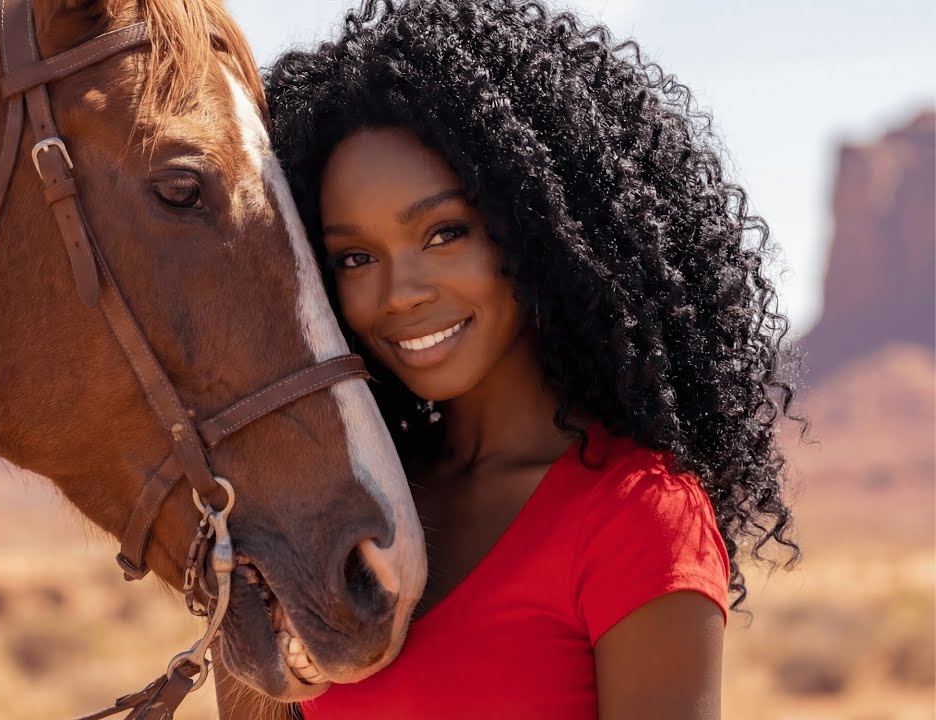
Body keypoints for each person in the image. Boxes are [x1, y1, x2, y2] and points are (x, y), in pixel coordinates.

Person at [215, 0, 803, 718]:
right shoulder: (344, 518)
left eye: (443, 233)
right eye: (356, 257)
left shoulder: (637, 518)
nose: (399, 294)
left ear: (541, 230)